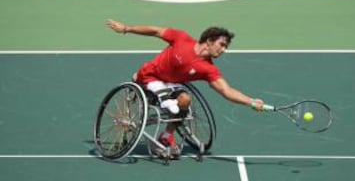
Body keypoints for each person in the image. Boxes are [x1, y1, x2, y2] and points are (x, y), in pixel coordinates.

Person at [106, 19, 264, 158]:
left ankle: (167, 135)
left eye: (226, 47)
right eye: (221, 45)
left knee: (185, 100)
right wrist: (127, 29)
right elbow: (156, 31)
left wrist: (250, 101)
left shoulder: (208, 69)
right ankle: (166, 102)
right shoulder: (181, 38)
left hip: (172, 85)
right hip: (149, 77)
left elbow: (226, 90)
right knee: (168, 98)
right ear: (209, 40)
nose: (223, 50)